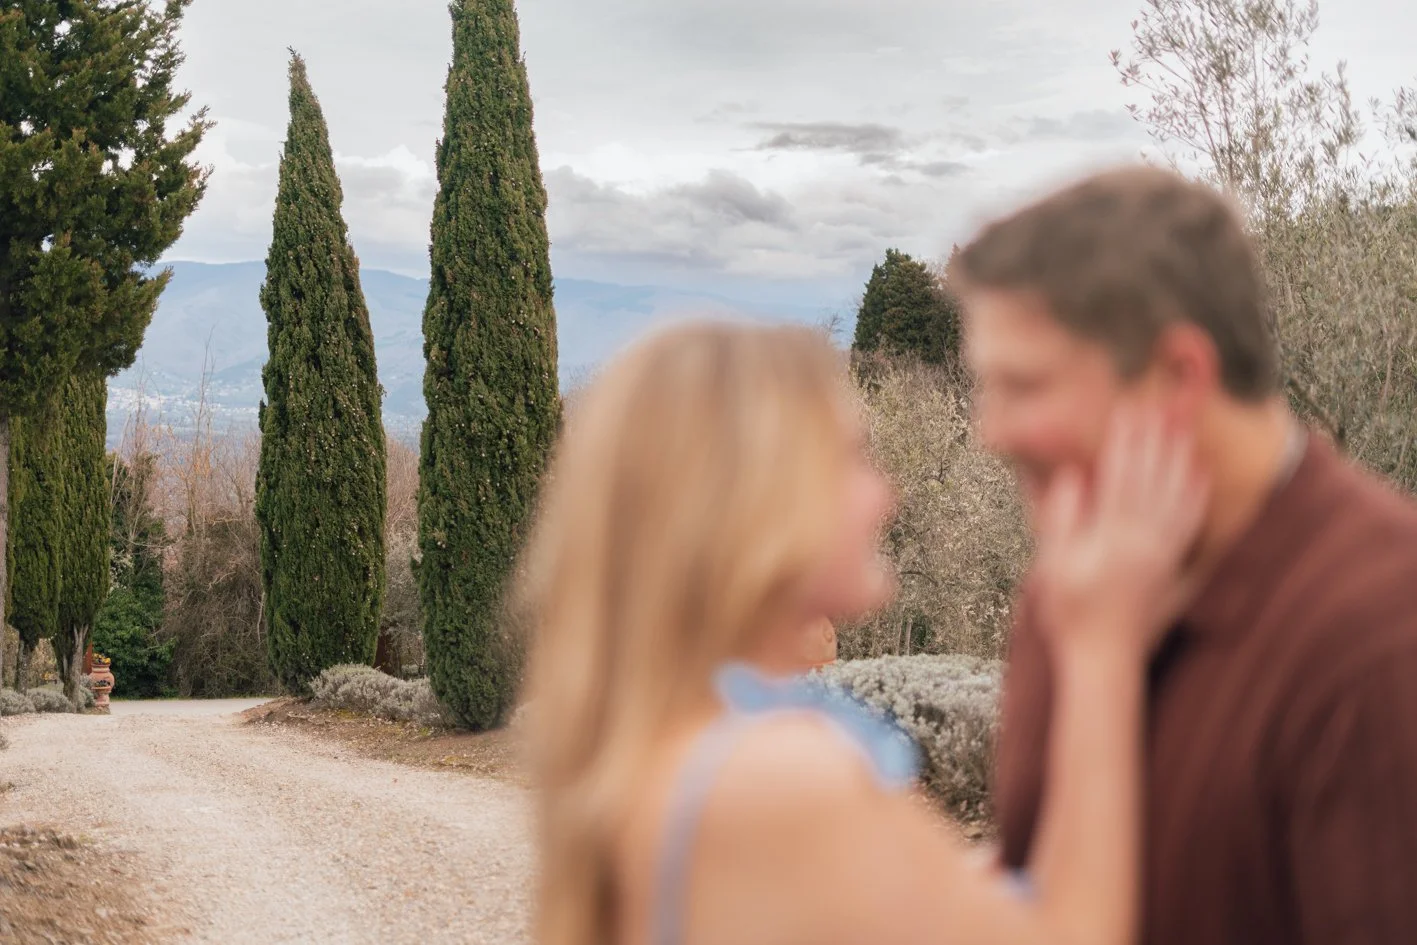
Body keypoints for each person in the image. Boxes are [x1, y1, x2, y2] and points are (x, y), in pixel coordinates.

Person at [520, 320, 1205, 945]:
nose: (885, 496)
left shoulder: (682, 745)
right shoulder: (782, 778)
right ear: (754, 500)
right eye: (850, 458)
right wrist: (1103, 642)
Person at [950, 164, 1417, 945]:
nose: (990, 433)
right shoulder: (1078, 575)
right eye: (984, 389)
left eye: (1024, 386)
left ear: (1178, 375)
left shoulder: (1379, 634)